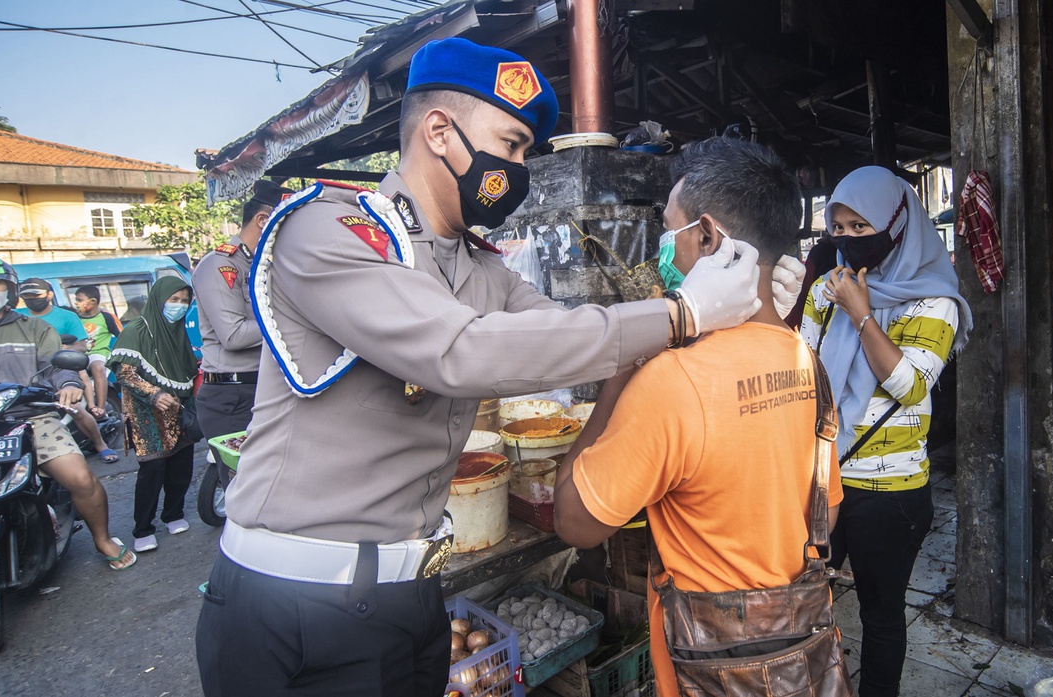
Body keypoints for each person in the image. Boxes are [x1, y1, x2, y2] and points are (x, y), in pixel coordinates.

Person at [194, 37, 774, 697]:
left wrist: (725, 314)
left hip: (410, 596)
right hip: (295, 603)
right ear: (439, 131)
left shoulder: (481, 268)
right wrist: (681, 313)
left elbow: (563, 336)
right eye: (512, 144)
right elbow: (462, 351)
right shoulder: (331, 232)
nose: (518, 169)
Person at [553, 137, 846, 697]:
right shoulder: (806, 360)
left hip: (707, 668)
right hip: (797, 657)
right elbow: (825, 512)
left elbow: (574, 522)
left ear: (708, 237)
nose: (663, 248)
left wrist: (623, 368)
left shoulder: (671, 381)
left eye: (669, 230)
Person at [799, 166, 972, 697]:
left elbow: (910, 386)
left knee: (881, 614)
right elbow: (804, 369)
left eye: (861, 226)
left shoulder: (935, 300)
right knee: (806, 604)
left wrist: (862, 316)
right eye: (839, 228)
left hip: (890, 491)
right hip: (823, 477)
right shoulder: (827, 290)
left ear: (897, 223)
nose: (849, 239)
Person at [0, 259, 136, 570]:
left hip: (31, 418)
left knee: (81, 479)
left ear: (10, 290)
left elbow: (56, 366)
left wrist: (70, 384)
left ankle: (102, 539)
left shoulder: (34, 328)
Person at [192, 179, 292, 441]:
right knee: (240, 469)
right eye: (284, 225)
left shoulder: (259, 266)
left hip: (262, 387)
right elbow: (233, 335)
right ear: (262, 220)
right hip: (231, 396)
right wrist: (290, 320)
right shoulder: (220, 265)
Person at [107, 277, 200, 553]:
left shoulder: (177, 331)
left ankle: (173, 514)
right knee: (152, 471)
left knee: (181, 467)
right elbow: (124, 373)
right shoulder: (136, 330)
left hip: (179, 410)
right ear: (159, 299)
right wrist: (154, 394)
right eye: (173, 300)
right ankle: (143, 529)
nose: (179, 306)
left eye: (184, 301)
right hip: (146, 414)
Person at [18, 278, 120, 463]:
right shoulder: (17, 316)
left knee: (74, 408)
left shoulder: (67, 316)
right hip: (23, 375)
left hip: (57, 372)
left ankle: (100, 445)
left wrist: (60, 353)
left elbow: (82, 345)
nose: (32, 299)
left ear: (49, 295)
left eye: (36, 295)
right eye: (27, 296)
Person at [73, 284, 122, 423]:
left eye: (80, 300)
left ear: (93, 301)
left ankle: (100, 408)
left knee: (98, 368)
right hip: (78, 354)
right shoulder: (74, 317)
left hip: (98, 353)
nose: (77, 303)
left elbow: (122, 337)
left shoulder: (106, 317)